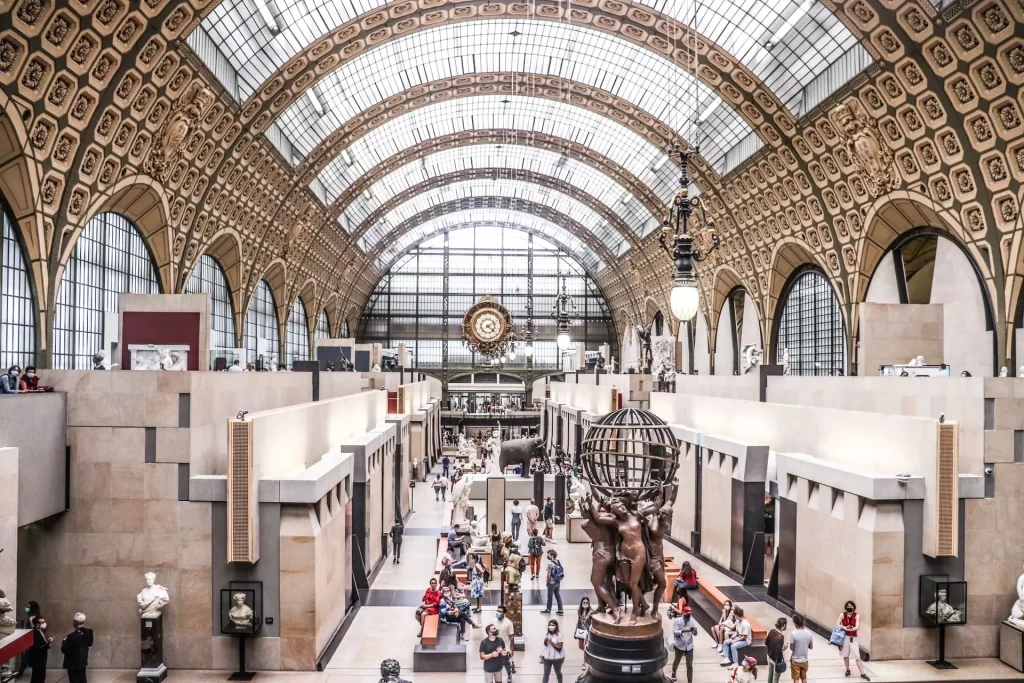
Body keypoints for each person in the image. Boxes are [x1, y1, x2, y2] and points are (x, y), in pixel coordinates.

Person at [838, 600, 870, 681]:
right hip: (845, 637)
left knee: (857, 656)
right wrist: (844, 627)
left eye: (851, 607)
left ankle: (862, 673)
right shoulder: (842, 614)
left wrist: (849, 628)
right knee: (845, 655)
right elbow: (837, 624)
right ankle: (847, 669)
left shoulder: (856, 615)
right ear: (846, 607)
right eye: (848, 607)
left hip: (853, 637)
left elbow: (857, 627)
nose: (850, 609)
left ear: (854, 608)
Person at [61, 612, 93, 683]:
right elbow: (90, 643)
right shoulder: (89, 632)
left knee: (74, 680)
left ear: (75, 622)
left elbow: (64, 650)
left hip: (73, 664)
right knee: (82, 679)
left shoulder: (71, 636)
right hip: (83, 661)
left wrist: (64, 641)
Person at [670, 605, 698, 683]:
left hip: (689, 646)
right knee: (677, 660)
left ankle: (690, 680)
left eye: (690, 614)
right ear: (684, 613)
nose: (689, 616)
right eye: (687, 614)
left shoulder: (691, 621)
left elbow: (695, 633)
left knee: (689, 664)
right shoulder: (677, 621)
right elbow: (674, 632)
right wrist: (683, 631)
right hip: (679, 645)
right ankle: (674, 672)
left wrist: (695, 631)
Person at [15, 601, 41, 678]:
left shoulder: (33, 618)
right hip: (32, 640)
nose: (26, 608)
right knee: (27, 658)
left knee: (26, 658)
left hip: (33, 640)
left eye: (28, 607)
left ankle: (19, 674)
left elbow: (34, 630)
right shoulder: (35, 617)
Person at [489, 605, 516, 681]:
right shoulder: (493, 621)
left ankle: (509, 674)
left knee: (505, 662)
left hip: (504, 647)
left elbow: (511, 636)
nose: (497, 612)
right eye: (497, 611)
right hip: (494, 646)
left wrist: (512, 648)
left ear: (504, 613)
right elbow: (490, 632)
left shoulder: (508, 623)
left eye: (500, 611)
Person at [27, 615, 52, 683]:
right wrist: (48, 643)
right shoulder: (35, 633)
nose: (45, 624)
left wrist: (47, 642)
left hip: (41, 660)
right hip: (38, 660)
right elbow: (37, 648)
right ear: (37, 624)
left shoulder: (39, 631)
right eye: (43, 622)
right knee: (38, 678)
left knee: (39, 677)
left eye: (45, 622)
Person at [789, 613, 813, 683]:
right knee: (804, 677)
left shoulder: (793, 633)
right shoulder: (809, 633)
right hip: (805, 660)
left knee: (796, 678)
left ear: (795, 624)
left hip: (795, 660)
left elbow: (791, 647)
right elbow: (811, 647)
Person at [540, 549, 564, 615]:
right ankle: (560, 610)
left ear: (552, 556)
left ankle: (548, 610)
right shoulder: (558, 561)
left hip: (551, 582)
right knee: (558, 595)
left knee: (550, 597)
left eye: (548, 554)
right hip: (557, 582)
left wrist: (547, 582)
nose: (548, 556)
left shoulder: (550, 563)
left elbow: (549, 574)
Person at [541, 618, 565, 683]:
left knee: (557, 672)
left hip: (557, 658)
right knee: (546, 673)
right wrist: (545, 641)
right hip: (547, 657)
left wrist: (552, 642)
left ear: (556, 626)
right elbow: (546, 645)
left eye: (552, 625)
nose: (551, 627)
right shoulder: (547, 634)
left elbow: (559, 648)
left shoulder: (559, 635)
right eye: (550, 625)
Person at [764, 617, 787, 683]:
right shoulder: (781, 637)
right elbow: (779, 651)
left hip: (770, 656)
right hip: (776, 660)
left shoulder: (771, 631)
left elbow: (766, 643)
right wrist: (781, 660)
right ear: (783, 626)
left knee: (770, 675)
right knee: (775, 678)